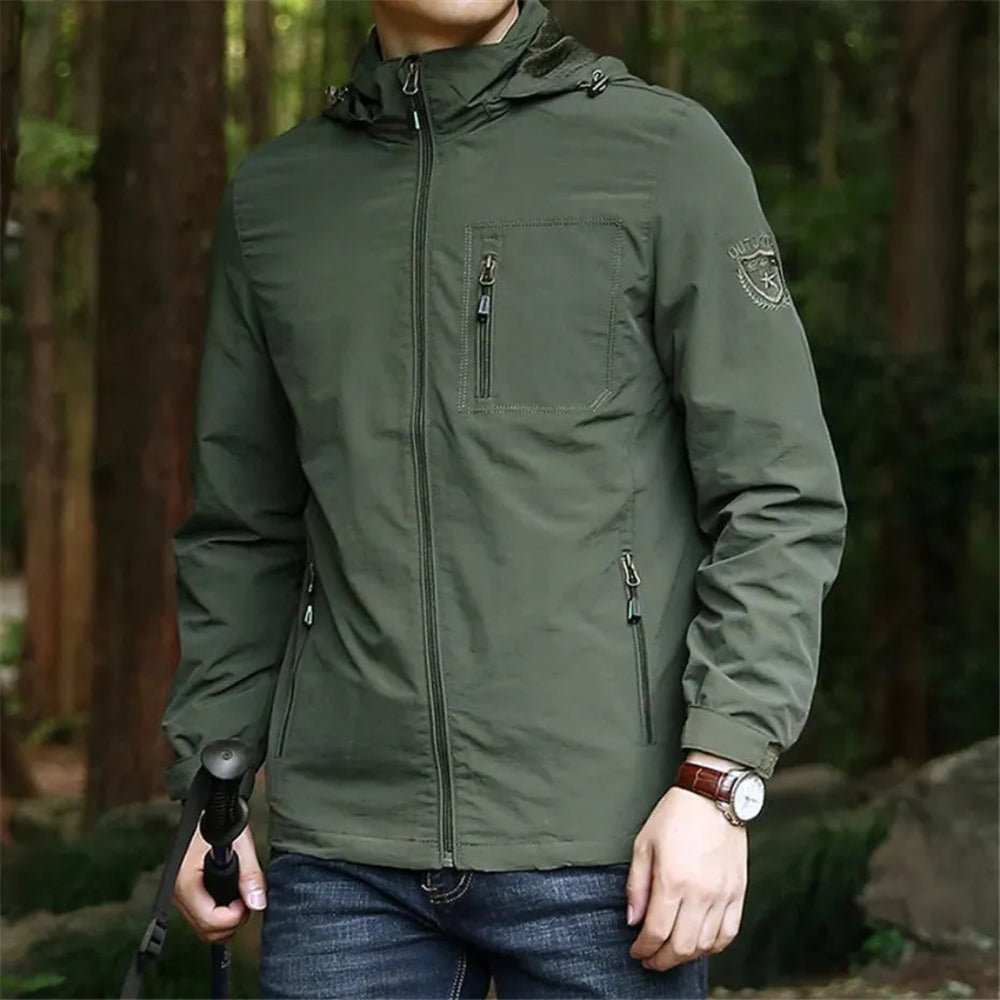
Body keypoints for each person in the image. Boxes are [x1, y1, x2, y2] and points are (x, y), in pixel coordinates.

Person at [162, 0, 847, 997]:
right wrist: (208, 784)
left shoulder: (663, 155)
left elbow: (779, 495)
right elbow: (242, 528)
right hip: (345, 856)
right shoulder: (276, 199)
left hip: (610, 845)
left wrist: (717, 777)